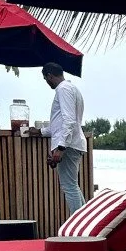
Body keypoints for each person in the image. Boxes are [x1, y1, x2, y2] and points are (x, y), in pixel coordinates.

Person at [41, 62, 87, 216]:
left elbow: (69, 120)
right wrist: (40, 131)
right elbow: (61, 122)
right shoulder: (72, 89)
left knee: (69, 187)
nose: (47, 83)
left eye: (46, 80)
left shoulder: (63, 89)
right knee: (73, 186)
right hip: (74, 142)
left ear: (49, 76)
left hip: (69, 145)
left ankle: (79, 229)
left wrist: (60, 148)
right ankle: (84, 220)